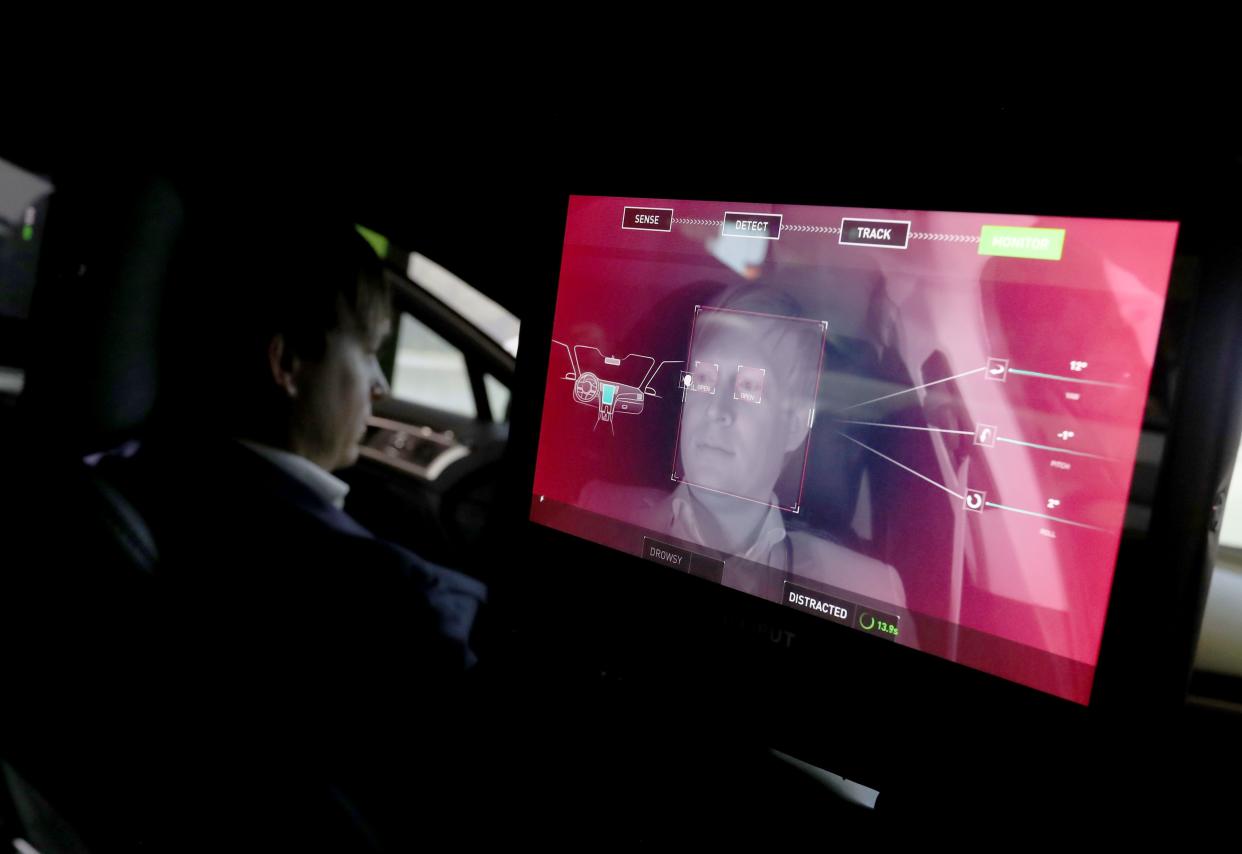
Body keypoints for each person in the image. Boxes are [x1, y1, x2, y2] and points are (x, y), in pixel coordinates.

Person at [583, 284, 906, 610]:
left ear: (794, 425)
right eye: (705, 379)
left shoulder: (871, 594)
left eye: (749, 386)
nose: (716, 410)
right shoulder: (592, 516)